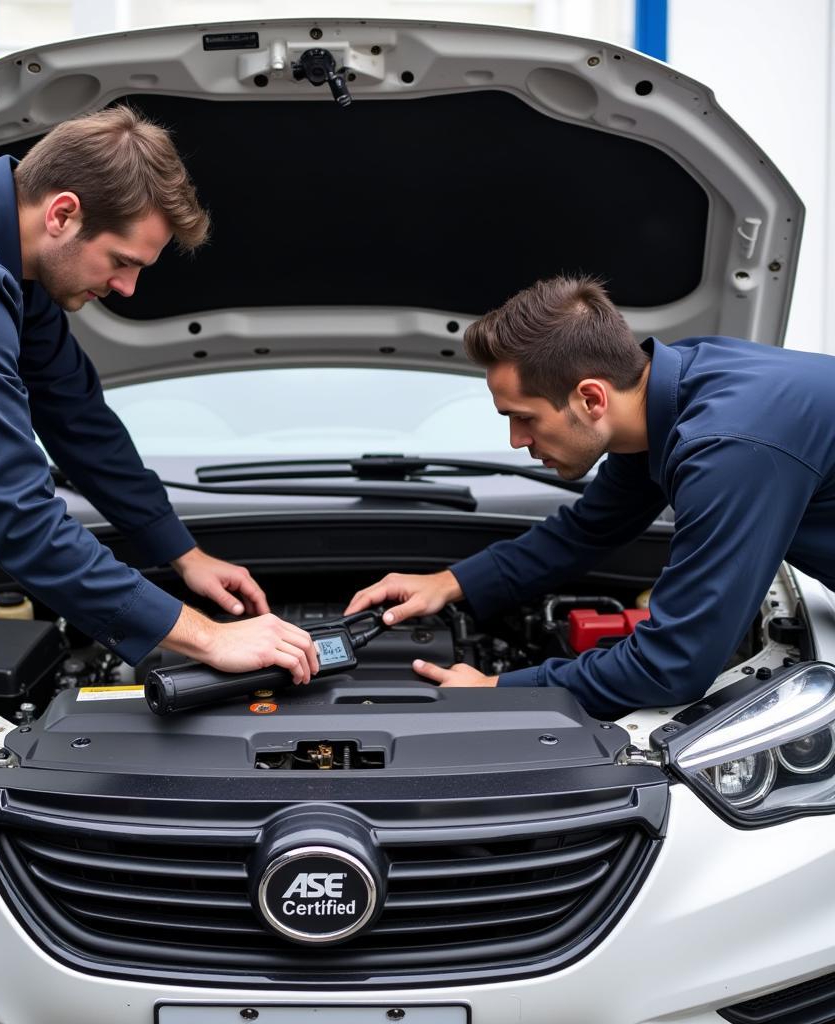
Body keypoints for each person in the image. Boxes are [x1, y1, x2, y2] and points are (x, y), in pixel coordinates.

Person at [0, 106, 318, 683]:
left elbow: (74, 413)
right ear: (63, 214)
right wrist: (209, 638)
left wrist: (182, 552)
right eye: (122, 262)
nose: (126, 288)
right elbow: (19, 516)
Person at [345, 275, 835, 718]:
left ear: (591, 398)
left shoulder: (729, 449)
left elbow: (674, 665)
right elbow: (590, 529)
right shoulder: (667, 393)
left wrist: (501, 687)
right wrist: (450, 583)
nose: (517, 440)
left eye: (524, 417)